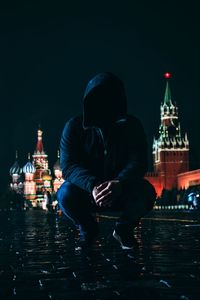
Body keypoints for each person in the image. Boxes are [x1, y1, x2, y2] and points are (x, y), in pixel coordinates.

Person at [57, 72, 156, 250]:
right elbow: (68, 166)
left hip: (120, 190)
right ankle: (88, 229)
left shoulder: (132, 125)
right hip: (87, 192)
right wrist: (93, 185)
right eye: (99, 98)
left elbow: (139, 162)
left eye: (111, 98)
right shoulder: (74, 126)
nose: (105, 104)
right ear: (89, 101)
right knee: (65, 194)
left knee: (147, 191)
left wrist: (119, 183)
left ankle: (123, 230)